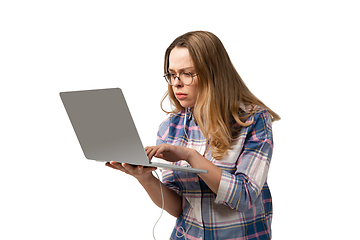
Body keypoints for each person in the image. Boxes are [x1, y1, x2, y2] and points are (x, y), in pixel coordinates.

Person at [106, 31, 280, 240]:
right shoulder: (169, 127)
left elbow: (244, 197)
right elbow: (179, 208)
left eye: (187, 73)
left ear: (214, 74)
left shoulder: (253, 120)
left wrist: (190, 156)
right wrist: (145, 178)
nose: (177, 82)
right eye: (172, 74)